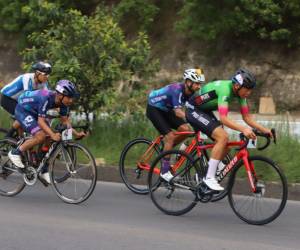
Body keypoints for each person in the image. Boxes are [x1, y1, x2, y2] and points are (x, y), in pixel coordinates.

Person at [186, 68, 273, 191]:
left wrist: (265, 130)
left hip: (204, 110)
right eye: (247, 89)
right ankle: (209, 178)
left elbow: (247, 117)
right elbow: (224, 118)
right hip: (192, 109)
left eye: (250, 90)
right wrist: (243, 129)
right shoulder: (225, 90)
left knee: (225, 143)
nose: (248, 93)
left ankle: (206, 173)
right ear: (237, 86)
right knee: (223, 137)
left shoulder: (240, 94)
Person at [8, 80, 86, 184]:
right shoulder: (45, 97)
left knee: (49, 138)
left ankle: (43, 168)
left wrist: (77, 134)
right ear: (60, 94)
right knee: (41, 136)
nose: (71, 100)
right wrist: (52, 134)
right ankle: (15, 152)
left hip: (34, 111)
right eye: (69, 97)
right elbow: (41, 122)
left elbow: (65, 122)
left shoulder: (63, 103)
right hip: (23, 109)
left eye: (72, 97)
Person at [147, 68, 205, 181]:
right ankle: (164, 172)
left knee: (185, 129)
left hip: (166, 110)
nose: (199, 86)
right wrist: (193, 119)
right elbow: (178, 112)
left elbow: (195, 109)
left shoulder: (191, 93)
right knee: (170, 137)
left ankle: (166, 152)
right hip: (154, 108)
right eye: (197, 84)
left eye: (200, 84)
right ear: (188, 82)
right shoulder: (176, 89)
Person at [0, 61, 51, 137]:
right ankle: (8, 135)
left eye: (48, 75)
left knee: (29, 115)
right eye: (45, 75)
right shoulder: (27, 78)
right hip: (7, 98)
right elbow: (28, 96)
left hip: (20, 100)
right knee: (24, 115)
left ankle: (20, 140)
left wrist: (57, 109)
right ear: (37, 73)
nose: (47, 77)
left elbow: (48, 96)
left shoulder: (44, 83)